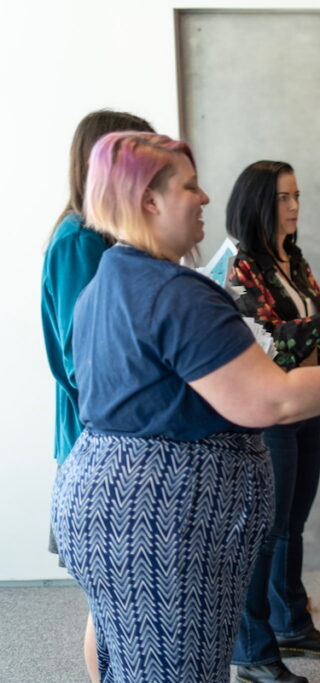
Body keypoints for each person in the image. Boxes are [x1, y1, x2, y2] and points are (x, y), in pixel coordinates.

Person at [50, 132, 320, 683]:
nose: (205, 198)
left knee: (126, 660)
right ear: (149, 200)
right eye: (189, 186)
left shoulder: (109, 280)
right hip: (162, 517)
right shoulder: (176, 292)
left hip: (109, 500)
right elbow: (274, 399)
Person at [226, 161, 320, 683]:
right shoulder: (244, 268)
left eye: (297, 196)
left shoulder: (295, 260)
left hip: (307, 404)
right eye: (284, 197)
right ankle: (253, 650)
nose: (294, 206)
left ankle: (291, 624)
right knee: (266, 531)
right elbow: (270, 341)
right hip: (274, 410)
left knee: (291, 527)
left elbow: (306, 330)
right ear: (259, 203)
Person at [41, 108, 155, 683]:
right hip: (97, 443)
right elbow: (80, 358)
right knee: (110, 606)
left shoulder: (109, 239)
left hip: (120, 439)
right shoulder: (77, 243)